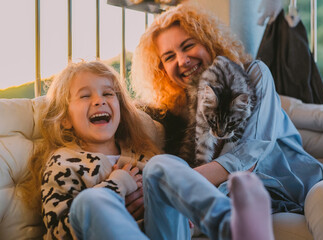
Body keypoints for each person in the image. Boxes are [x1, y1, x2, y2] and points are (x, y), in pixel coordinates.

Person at [131, 3, 323, 240]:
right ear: (162, 69)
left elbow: (247, 156)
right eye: (169, 57)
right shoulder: (178, 115)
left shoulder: (252, 75)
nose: (182, 60)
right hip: (254, 202)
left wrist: (168, 185)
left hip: (306, 187)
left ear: (209, 41)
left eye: (188, 45)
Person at [17, 60, 271, 240]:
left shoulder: (142, 154)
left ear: (120, 108)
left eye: (108, 93)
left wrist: (181, 213)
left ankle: (231, 225)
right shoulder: (63, 162)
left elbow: (173, 214)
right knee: (91, 200)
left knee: (164, 165)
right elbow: (59, 231)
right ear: (65, 119)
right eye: (85, 96)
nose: (99, 100)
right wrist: (116, 186)